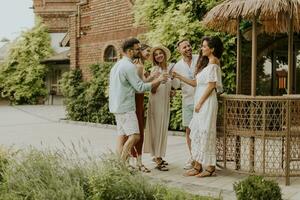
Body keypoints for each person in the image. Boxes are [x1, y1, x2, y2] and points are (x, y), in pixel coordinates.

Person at [109, 38, 168, 163]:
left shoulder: (117, 65)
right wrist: (158, 80)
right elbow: (140, 87)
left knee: (123, 136)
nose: (138, 51)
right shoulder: (129, 66)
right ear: (130, 51)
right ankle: (121, 164)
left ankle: (119, 164)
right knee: (135, 136)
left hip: (116, 107)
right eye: (137, 49)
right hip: (126, 107)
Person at [172, 36, 223, 177]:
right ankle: (198, 165)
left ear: (212, 49)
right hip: (199, 100)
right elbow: (195, 83)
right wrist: (178, 76)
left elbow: (212, 85)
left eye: (204, 46)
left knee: (206, 132)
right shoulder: (206, 63)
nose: (202, 48)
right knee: (198, 132)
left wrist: (200, 102)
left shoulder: (214, 62)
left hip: (206, 101)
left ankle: (210, 167)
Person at [144, 45, 178, 171]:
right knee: (156, 128)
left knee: (163, 128)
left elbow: (170, 86)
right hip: (156, 102)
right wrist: (158, 79)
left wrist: (171, 91)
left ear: (164, 54)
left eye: (160, 53)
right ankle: (157, 158)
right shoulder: (155, 70)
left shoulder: (169, 69)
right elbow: (152, 90)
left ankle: (158, 155)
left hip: (165, 103)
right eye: (156, 54)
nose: (158, 55)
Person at [173, 39, 199, 170]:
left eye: (189, 45)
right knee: (189, 131)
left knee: (200, 130)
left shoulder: (199, 59)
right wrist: (172, 79)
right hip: (187, 101)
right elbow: (176, 86)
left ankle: (200, 157)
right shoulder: (177, 66)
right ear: (179, 50)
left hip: (201, 100)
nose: (188, 48)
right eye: (184, 47)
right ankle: (193, 156)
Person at [131, 44, 154, 172]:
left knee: (137, 129)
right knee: (138, 129)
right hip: (136, 99)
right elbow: (139, 86)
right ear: (140, 51)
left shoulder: (140, 65)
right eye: (147, 51)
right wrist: (153, 79)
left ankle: (136, 161)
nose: (149, 53)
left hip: (138, 100)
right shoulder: (138, 66)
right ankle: (137, 161)